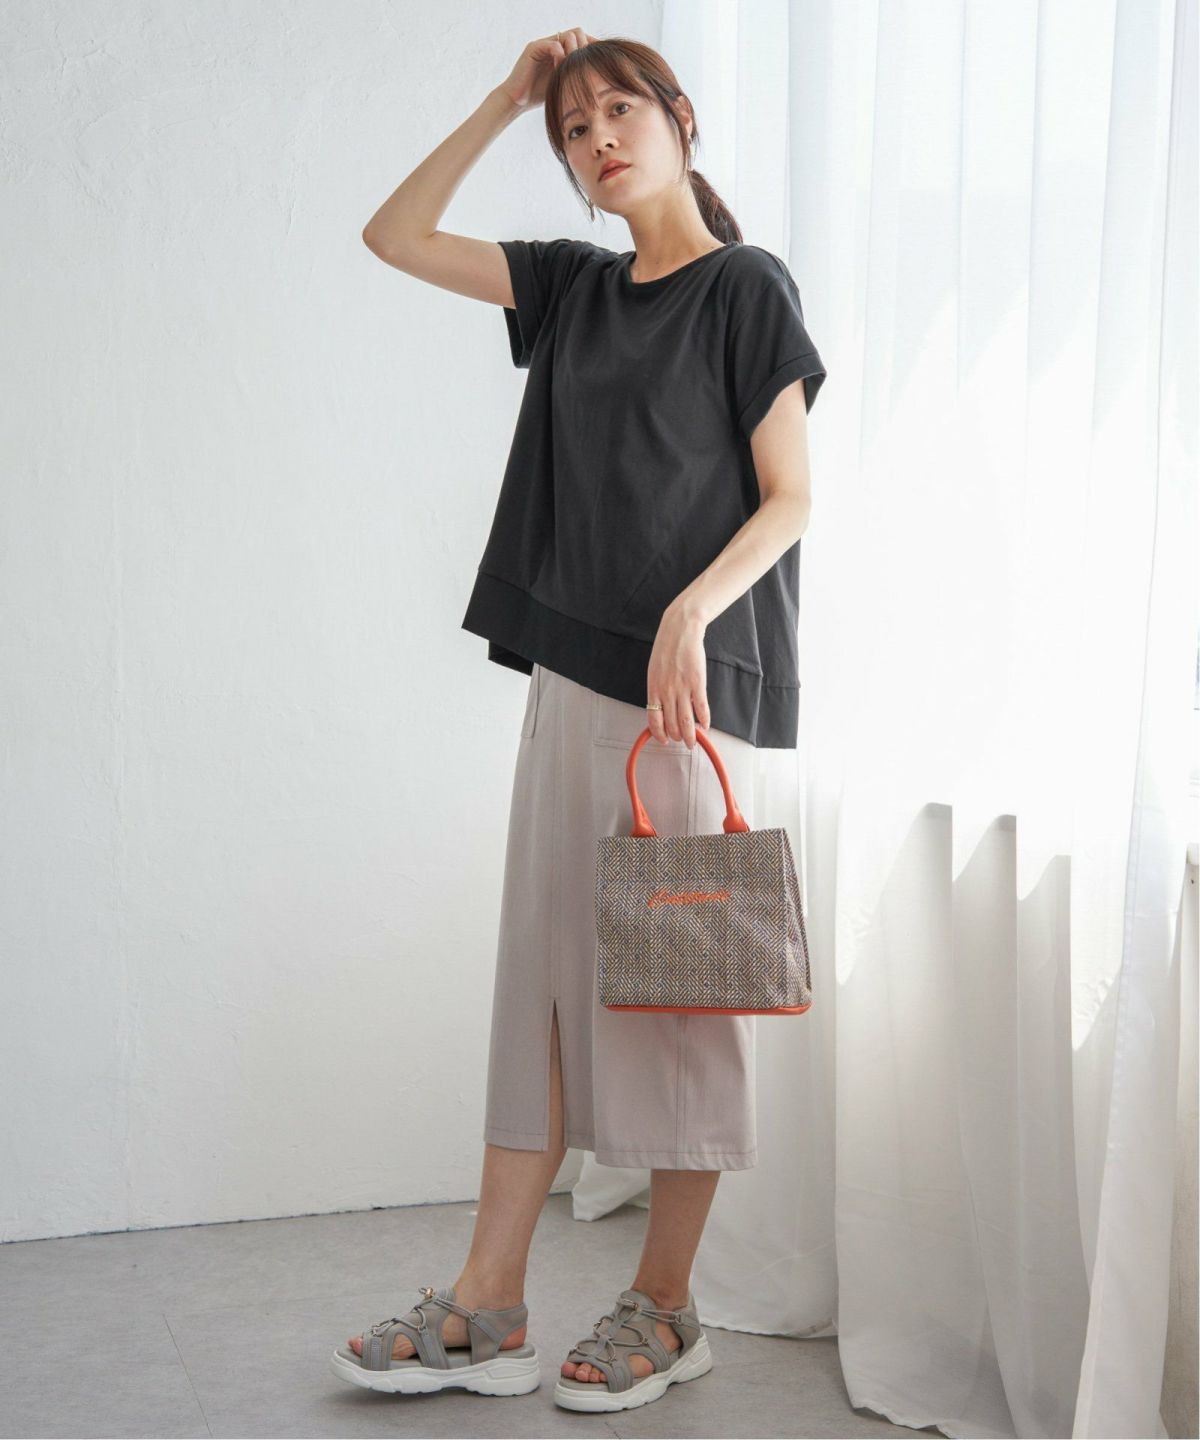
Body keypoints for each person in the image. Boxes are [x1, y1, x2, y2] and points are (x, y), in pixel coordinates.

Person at [330, 27, 826, 1414]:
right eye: (572, 129)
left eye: (618, 110)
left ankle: (666, 1307)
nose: (597, 137)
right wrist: (505, 97)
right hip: (567, 682)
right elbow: (392, 235)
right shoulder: (572, 289)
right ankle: (489, 1305)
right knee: (539, 999)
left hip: (680, 701)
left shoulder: (745, 288)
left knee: (679, 996)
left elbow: (791, 495)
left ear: (680, 118)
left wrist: (692, 611)